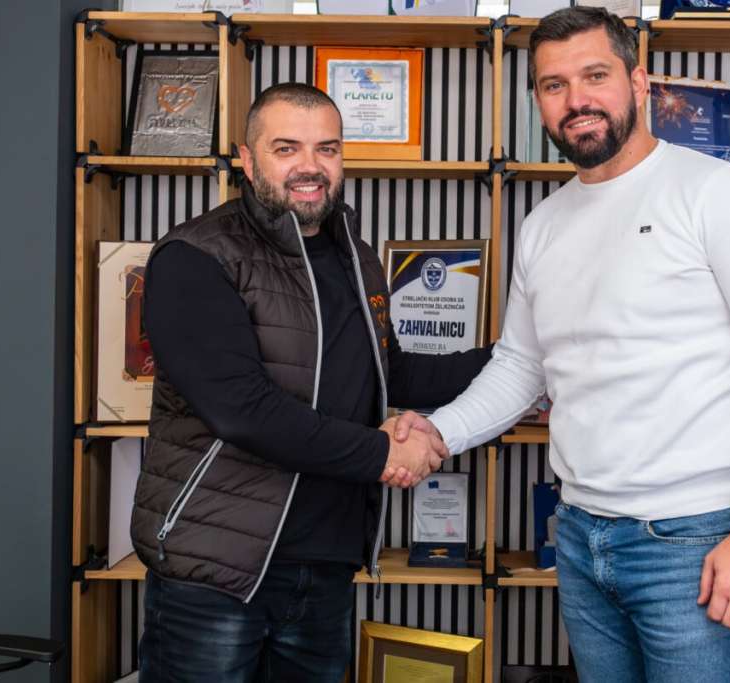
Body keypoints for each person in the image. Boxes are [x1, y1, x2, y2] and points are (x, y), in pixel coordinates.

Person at [395, 6, 730, 681]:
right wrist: (437, 432)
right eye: (554, 85)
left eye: (595, 75)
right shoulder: (543, 225)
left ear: (638, 82)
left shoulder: (719, 196)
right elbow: (520, 366)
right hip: (580, 535)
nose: (577, 100)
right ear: (539, 100)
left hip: (696, 542)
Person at [129, 82, 490, 682]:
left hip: (325, 566)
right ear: (247, 160)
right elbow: (241, 409)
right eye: (286, 148)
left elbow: (390, 374)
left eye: (327, 148)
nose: (310, 167)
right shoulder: (196, 255)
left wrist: (520, 362)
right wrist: (383, 453)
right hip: (219, 569)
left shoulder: (356, 256)